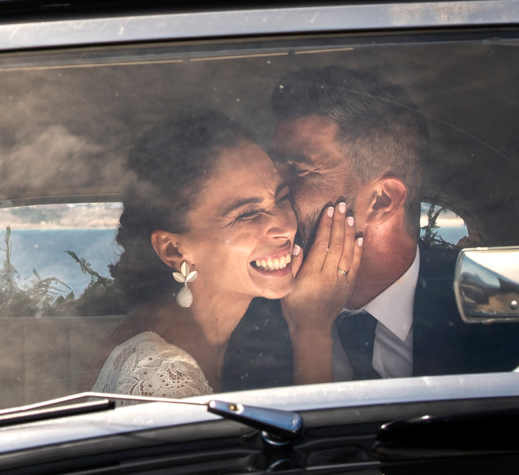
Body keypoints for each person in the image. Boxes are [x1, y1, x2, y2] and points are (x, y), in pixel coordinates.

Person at [222, 66, 519, 389]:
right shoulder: (245, 319)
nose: (272, 190)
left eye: (298, 169)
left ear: (382, 201)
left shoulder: (512, 314)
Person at [88, 111, 361, 397]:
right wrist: (312, 330)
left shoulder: (206, 334)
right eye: (247, 214)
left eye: (282, 198)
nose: (285, 226)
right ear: (174, 249)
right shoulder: (159, 373)